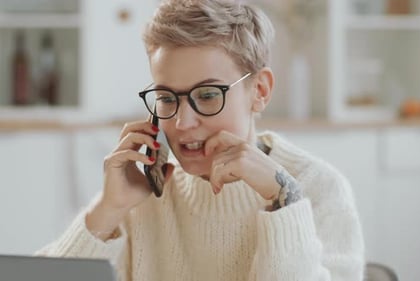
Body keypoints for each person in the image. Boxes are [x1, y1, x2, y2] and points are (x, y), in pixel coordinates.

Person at [37, 0, 365, 280]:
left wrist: (284, 202)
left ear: (260, 91)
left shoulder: (320, 189)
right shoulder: (146, 191)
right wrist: (108, 209)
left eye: (207, 95)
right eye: (166, 98)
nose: (182, 122)